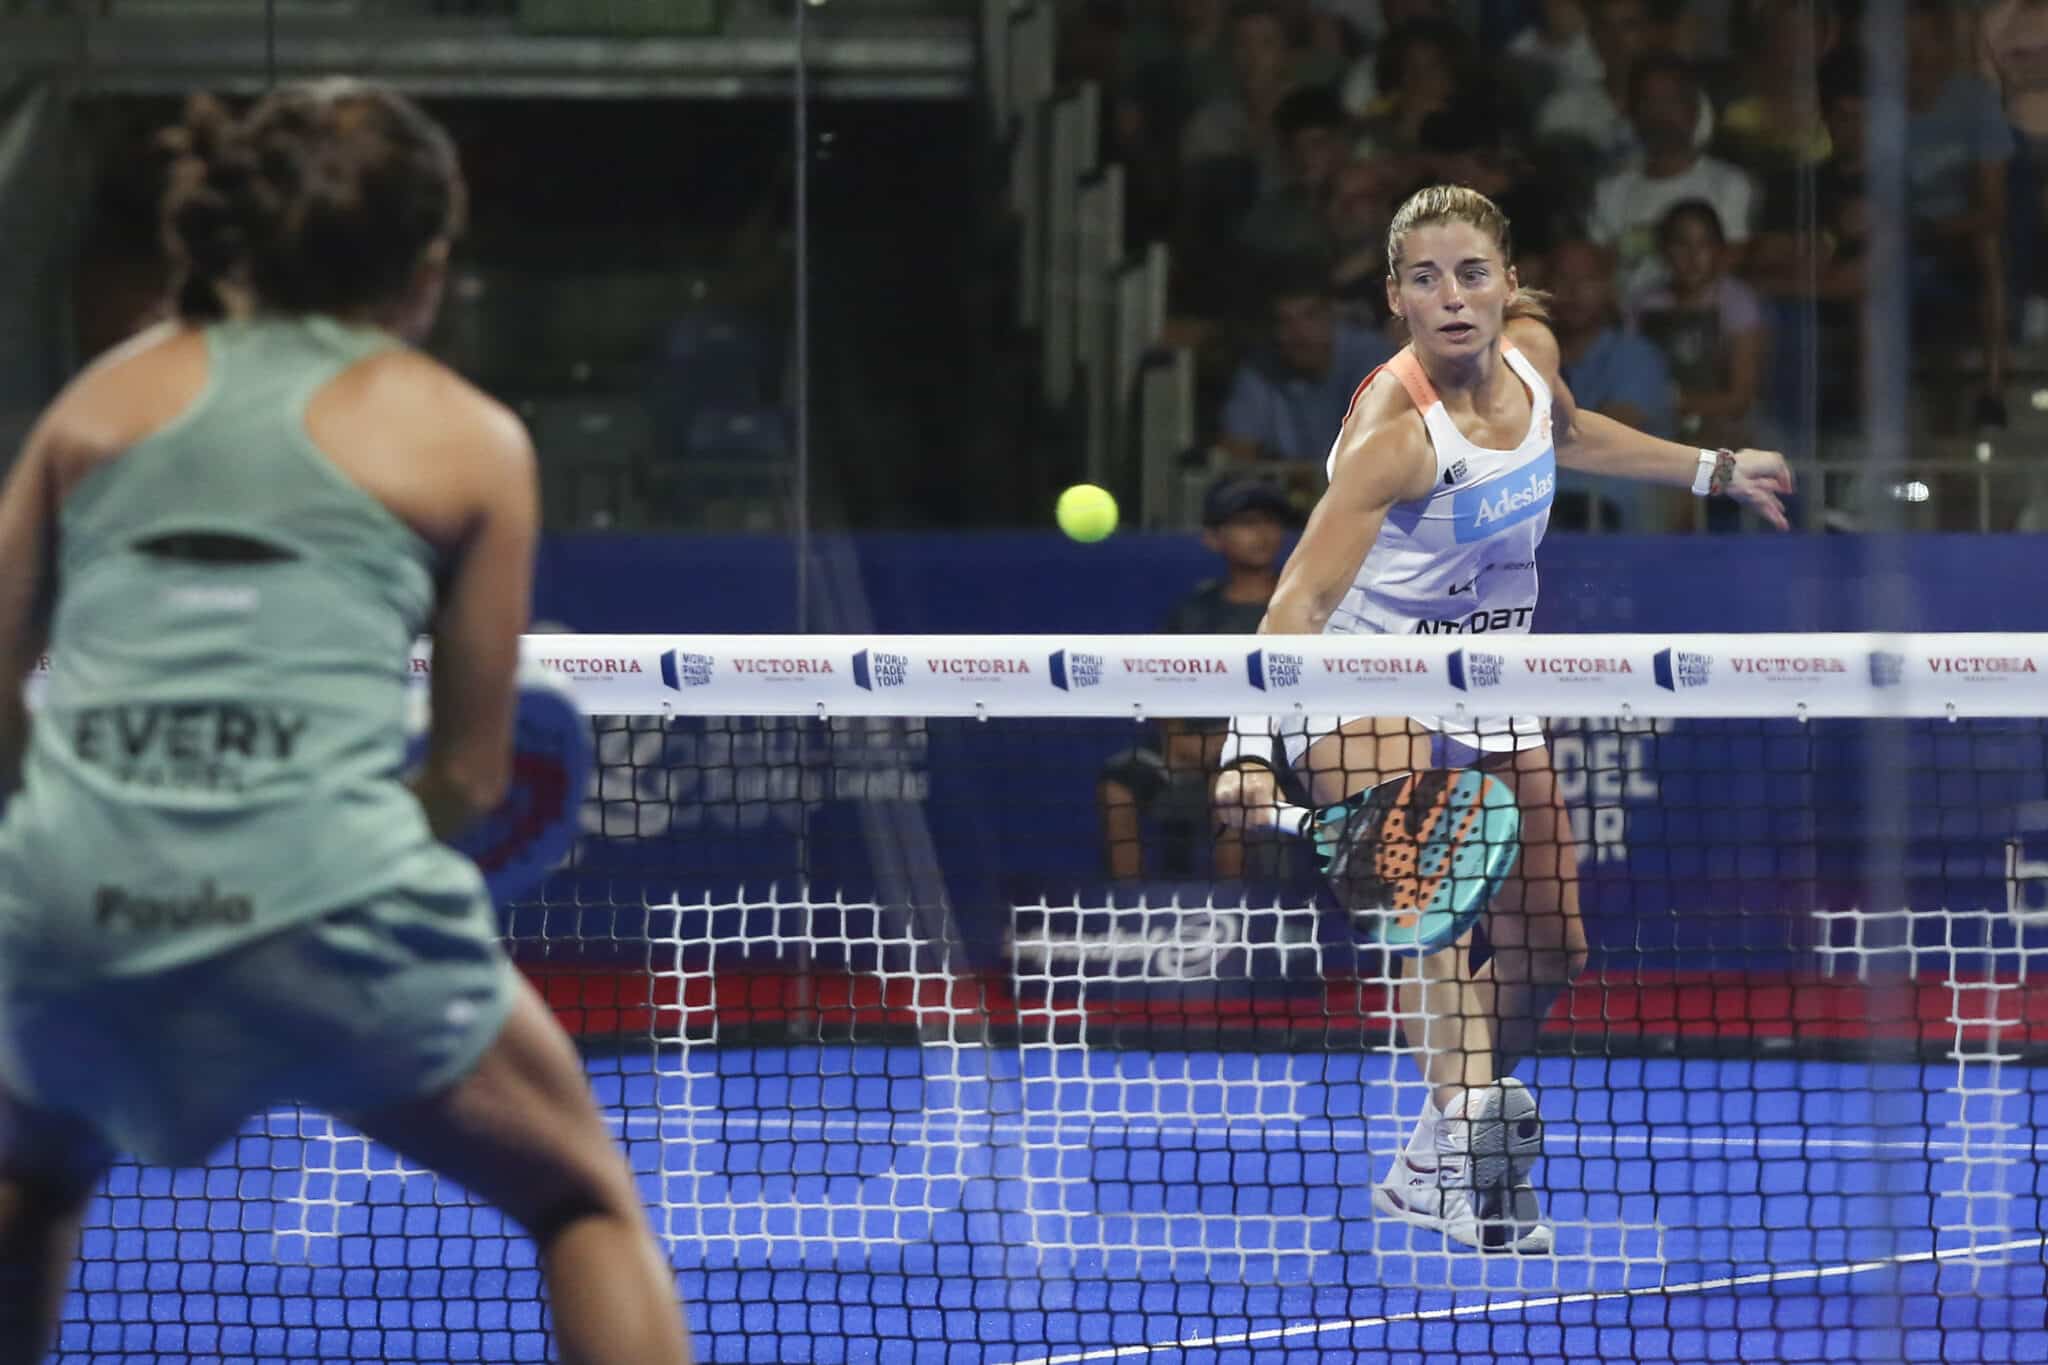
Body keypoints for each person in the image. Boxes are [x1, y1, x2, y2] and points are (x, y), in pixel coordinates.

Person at [0, 82, 693, 1363]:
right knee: (581, 1200)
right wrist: (347, 858)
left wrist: (87, 838)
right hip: (328, 896)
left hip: (65, 900)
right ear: (427, 270)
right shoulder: (470, 440)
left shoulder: (91, 408)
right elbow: (473, 779)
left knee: (28, 1182)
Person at [1211, 183, 1791, 1254]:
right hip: (1358, 666)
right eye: (1422, 279)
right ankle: (1478, 1122)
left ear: (1507, 285)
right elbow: (1294, 601)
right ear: (1394, 299)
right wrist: (1248, 746)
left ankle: (1433, 1148)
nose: (1451, 297)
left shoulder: (1529, 355)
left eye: (1470, 273)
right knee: (1428, 889)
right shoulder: (1394, 437)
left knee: (1549, 943)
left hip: (1488, 668)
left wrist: (1711, 467)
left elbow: (1574, 438)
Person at [1099, 476, 1296, 882]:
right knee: (1119, 785)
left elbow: (1304, 697)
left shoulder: (1300, 609)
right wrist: (1177, 740)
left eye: (1270, 522)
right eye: (1246, 523)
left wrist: (1231, 743)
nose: (1261, 534)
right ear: (1212, 538)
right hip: (1190, 752)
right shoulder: (1191, 614)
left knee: (1233, 787)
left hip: (1275, 753)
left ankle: (1234, 918)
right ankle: (1126, 914)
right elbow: (1158, 688)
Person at [1629, 200, 1770, 530]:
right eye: (1681, 244)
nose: (1692, 257)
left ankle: (1685, 553)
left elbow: (1740, 398)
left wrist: (1674, 405)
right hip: (1660, 429)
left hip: (1733, 434)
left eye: (1703, 244)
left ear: (1719, 250)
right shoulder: (1645, 303)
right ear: (1665, 251)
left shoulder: (1738, 303)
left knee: (1696, 468)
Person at [1588, 52, 1757, 299]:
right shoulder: (1610, 191)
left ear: (1694, 109)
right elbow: (1598, 268)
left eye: (1671, 101)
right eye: (1649, 101)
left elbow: (1732, 262)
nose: (1660, 114)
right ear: (1632, 112)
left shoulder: (1729, 184)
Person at [1218, 264, 1397, 470]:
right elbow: (1238, 455)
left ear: (1332, 315)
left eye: (1310, 316)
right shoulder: (1260, 369)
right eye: (1285, 322)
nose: (1298, 334)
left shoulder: (1371, 357)